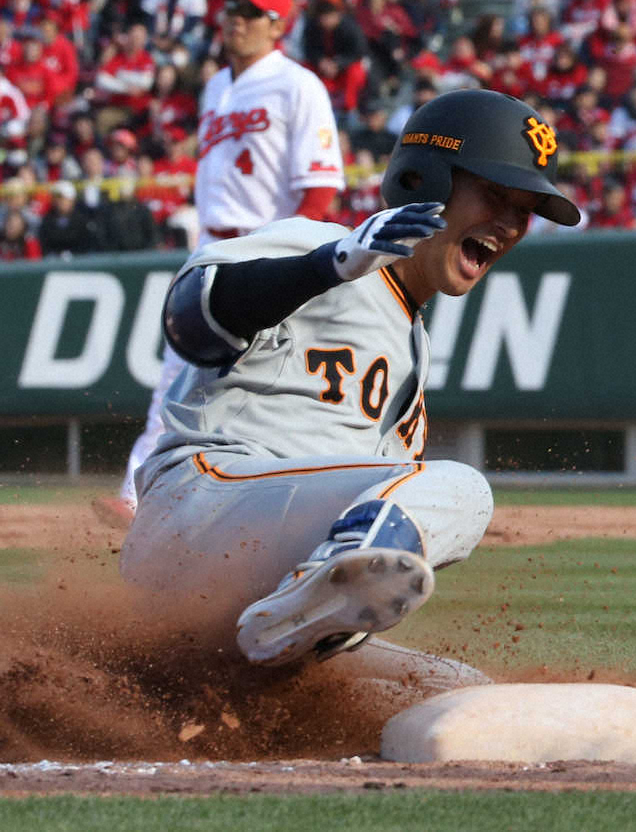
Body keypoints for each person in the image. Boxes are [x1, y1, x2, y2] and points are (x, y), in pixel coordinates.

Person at [120, 89, 580, 675]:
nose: (512, 223)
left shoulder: (413, 345)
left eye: (526, 210)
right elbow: (190, 319)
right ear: (425, 179)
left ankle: (271, 647)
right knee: (462, 487)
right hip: (202, 506)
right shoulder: (320, 247)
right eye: (496, 194)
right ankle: (331, 583)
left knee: (458, 690)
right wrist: (328, 263)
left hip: (256, 576)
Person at [110, 0, 345, 519]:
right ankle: (135, 496)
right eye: (230, 8)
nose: (234, 19)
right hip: (211, 247)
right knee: (178, 375)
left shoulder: (297, 84)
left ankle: (307, 504)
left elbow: (321, 186)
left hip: (268, 250)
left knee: (269, 389)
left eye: (248, 11)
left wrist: (292, 258)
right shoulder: (217, 86)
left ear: (276, 23)